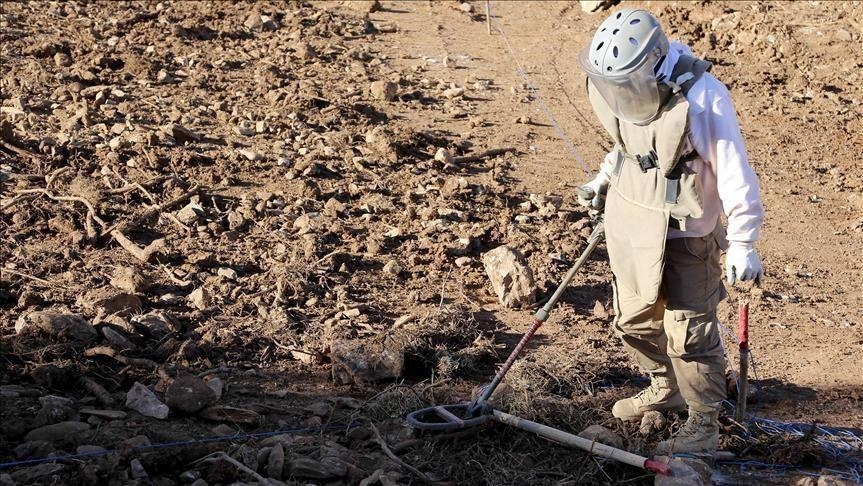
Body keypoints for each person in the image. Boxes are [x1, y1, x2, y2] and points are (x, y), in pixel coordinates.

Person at [575, 8, 764, 454]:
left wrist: (743, 241)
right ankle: (665, 386)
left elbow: (736, 172)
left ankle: (703, 423)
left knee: (689, 332)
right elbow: (629, 143)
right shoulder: (628, 85)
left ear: (651, 65)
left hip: (688, 235)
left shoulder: (703, 97)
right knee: (632, 319)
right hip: (636, 222)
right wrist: (605, 178)